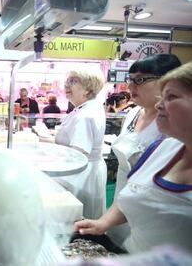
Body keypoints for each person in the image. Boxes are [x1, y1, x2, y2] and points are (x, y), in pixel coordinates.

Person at [75, 61, 192, 253]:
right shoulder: (163, 148)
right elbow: (137, 190)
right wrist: (103, 223)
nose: (160, 105)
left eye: (171, 97)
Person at [107, 54, 181, 246]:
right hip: (121, 201)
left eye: (139, 80)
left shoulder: (173, 126)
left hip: (153, 214)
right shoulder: (133, 113)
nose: (130, 87)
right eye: (130, 80)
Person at [54, 69, 106, 219]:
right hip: (83, 172)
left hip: (83, 175)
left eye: (73, 81)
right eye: (67, 81)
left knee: (81, 220)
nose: (66, 85)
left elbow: (78, 154)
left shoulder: (86, 115)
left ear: (88, 88)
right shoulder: (84, 108)